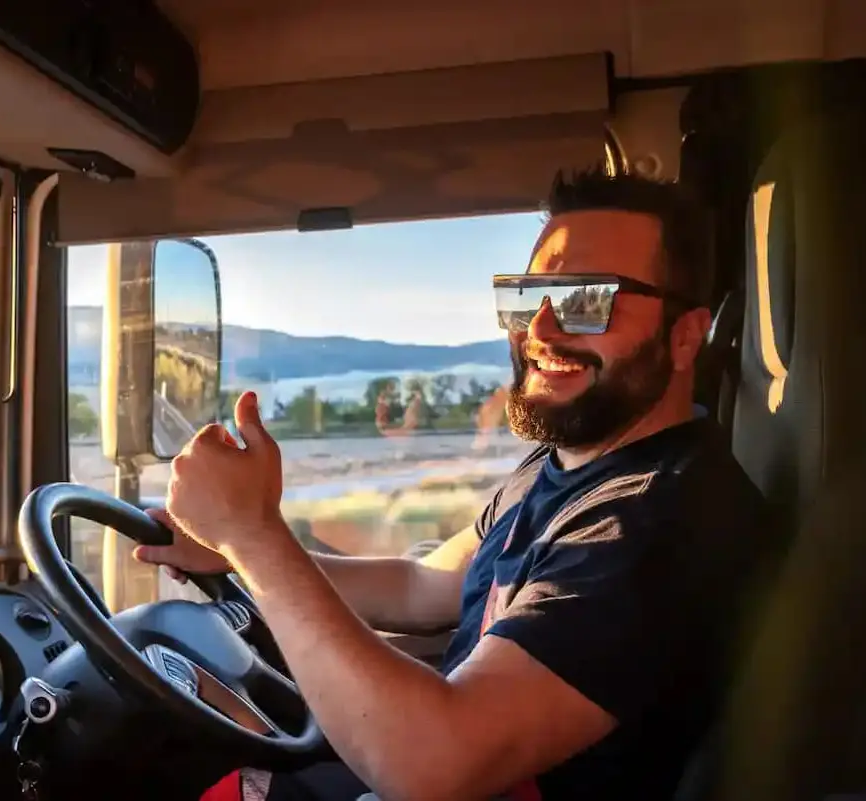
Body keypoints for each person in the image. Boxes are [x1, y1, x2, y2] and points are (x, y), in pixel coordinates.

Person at [134, 170, 782, 801]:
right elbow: (423, 587)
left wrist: (255, 535)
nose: (539, 332)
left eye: (587, 301)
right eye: (527, 299)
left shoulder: (658, 521)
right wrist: (238, 554)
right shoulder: (569, 466)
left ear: (685, 336)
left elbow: (435, 764)